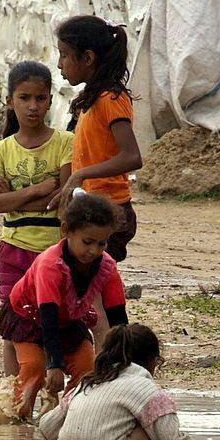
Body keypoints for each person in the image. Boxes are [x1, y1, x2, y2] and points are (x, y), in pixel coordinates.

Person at [0, 192, 129, 419]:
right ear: (66, 231)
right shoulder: (50, 264)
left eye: (102, 243)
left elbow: (118, 316)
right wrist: (55, 365)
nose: (95, 251)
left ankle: (68, 415)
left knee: (87, 369)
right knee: (34, 370)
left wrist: (125, 364)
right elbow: (47, 317)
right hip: (29, 316)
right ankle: (17, 421)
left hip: (68, 319)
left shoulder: (107, 266)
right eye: (87, 242)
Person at [0, 60, 75, 377]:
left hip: (55, 252)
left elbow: (62, 202)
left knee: (56, 320)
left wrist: (16, 197)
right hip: (14, 251)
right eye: (24, 98)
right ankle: (12, 397)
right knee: (13, 324)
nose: (33, 107)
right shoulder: (2, 150)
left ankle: (53, 388)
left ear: (50, 100)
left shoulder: (65, 142)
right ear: (10, 101)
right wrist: (39, 189)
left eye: (40, 98)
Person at [55, 16, 142, 262]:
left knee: (91, 280)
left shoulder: (111, 99)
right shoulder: (90, 99)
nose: (59, 64)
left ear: (88, 58)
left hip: (109, 210)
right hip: (90, 205)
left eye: (64, 55)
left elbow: (132, 157)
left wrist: (80, 175)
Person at [39, 324, 202, 440]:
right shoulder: (147, 390)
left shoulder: (87, 383)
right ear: (152, 361)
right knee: (148, 431)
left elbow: (47, 426)